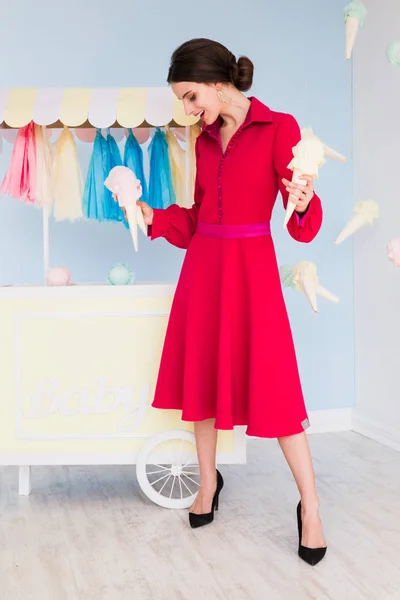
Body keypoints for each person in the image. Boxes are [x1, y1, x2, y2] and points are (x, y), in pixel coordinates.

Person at [136, 38, 327, 566]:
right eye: (183, 101)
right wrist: (152, 216)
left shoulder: (277, 127)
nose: (189, 110)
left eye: (192, 96)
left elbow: (301, 223)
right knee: (201, 378)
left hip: (252, 269)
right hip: (205, 268)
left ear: (219, 84)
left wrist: (303, 202)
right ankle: (206, 484)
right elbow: (198, 219)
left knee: (278, 387)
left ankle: (310, 506)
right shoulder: (203, 140)